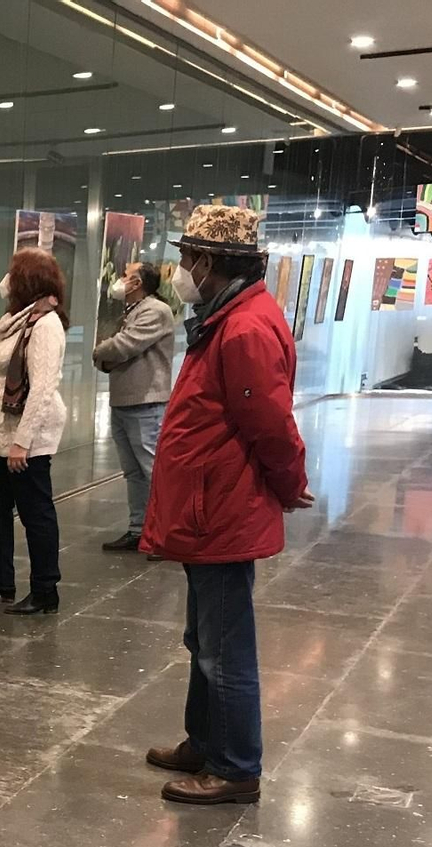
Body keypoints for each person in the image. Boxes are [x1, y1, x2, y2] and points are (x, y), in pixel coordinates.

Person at [141, 205, 313, 805]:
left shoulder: (242, 328)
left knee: (223, 648)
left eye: (186, 260)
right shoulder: (226, 316)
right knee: (204, 638)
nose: (180, 270)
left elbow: (269, 421)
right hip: (207, 506)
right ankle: (205, 740)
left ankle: (236, 765)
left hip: (221, 510)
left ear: (209, 263)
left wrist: (290, 482)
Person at [0, 246, 69, 616]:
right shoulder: (16, 320)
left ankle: (45, 590)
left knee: (35, 513)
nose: (5, 282)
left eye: (13, 273)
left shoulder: (45, 325)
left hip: (26, 442)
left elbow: (40, 391)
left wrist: (22, 442)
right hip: (0, 436)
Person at [93, 261, 176, 552]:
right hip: (124, 401)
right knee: (133, 472)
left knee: (151, 470)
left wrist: (100, 352)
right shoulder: (131, 311)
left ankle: (165, 535)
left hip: (145, 403)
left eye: (126, 276)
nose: (120, 280)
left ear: (138, 283)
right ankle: (138, 528)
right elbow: (113, 347)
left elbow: (122, 346)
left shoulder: (155, 310)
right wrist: (107, 353)